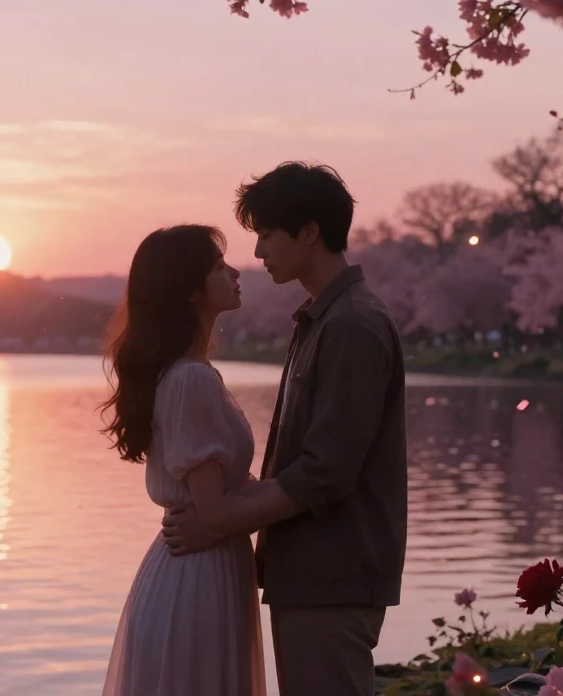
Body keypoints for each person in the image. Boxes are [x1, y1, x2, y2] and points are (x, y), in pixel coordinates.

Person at [161, 162, 408, 696]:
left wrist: (220, 522)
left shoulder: (351, 325)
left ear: (310, 232)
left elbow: (326, 471)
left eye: (267, 234)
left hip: (333, 571)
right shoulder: (322, 318)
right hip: (312, 571)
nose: (257, 253)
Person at [100, 224, 267, 696]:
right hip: (199, 575)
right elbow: (213, 513)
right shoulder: (190, 379)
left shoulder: (188, 373)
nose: (236, 272)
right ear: (190, 290)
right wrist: (306, 491)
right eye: (219, 267)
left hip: (200, 568)